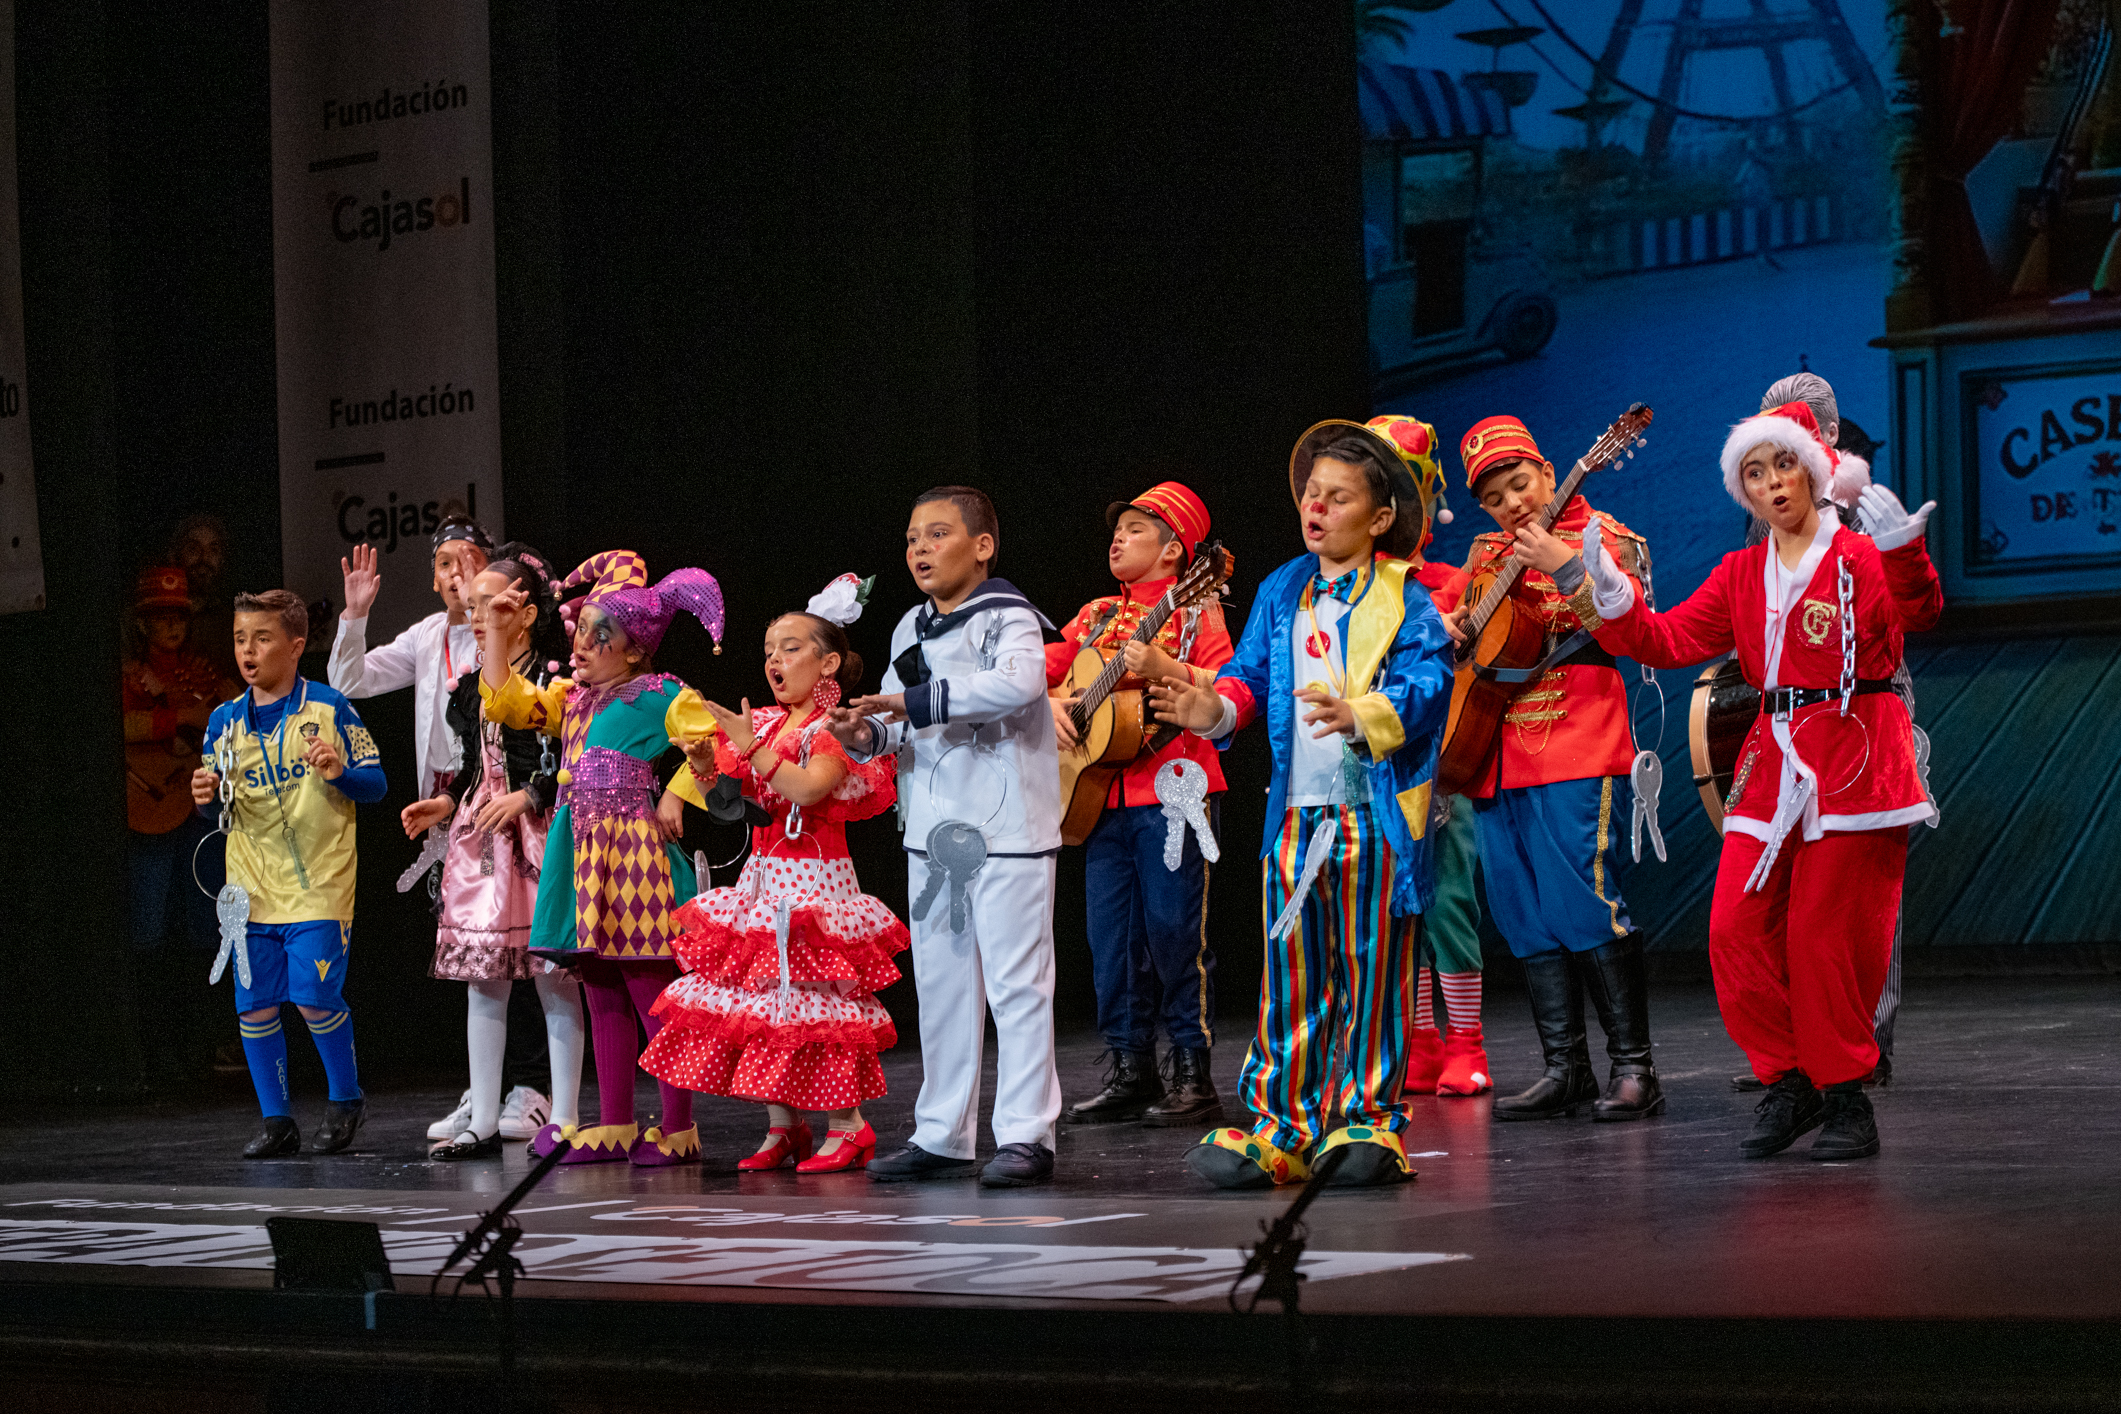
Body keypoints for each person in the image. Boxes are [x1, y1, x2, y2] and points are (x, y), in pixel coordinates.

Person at [1576, 401, 1940, 1160]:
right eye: (1753, 471)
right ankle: (1789, 1081)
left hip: (1856, 757)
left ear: (1811, 470)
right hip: (1772, 763)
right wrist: (1611, 592)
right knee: (1733, 931)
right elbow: (1666, 637)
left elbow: (1917, 615)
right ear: (1740, 489)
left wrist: (1903, 551)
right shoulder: (1741, 572)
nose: (1771, 483)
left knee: (1823, 938)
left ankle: (1844, 1095)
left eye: (1781, 465)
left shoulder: (1858, 559)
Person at [1151, 415, 1453, 1189]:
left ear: (1379, 517)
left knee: (1370, 967)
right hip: (1295, 817)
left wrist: (1364, 714)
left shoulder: (1404, 595)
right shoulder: (1283, 587)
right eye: (1311, 494)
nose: (1315, 508)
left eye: (1338, 497)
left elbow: (1429, 683)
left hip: (1369, 815)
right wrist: (1211, 709)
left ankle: (1366, 1119)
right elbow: (1248, 676)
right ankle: (1281, 1122)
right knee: (1288, 969)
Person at [827, 486, 1065, 1189]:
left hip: (1006, 829)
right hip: (935, 834)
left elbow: (1020, 684)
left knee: (1018, 986)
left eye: (936, 535)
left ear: (981, 546)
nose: (919, 550)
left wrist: (912, 703)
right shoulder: (908, 628)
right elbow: (909, 723)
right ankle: (943, 1133)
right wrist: (870, 731)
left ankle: (1026, 1134)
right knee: (942, 986)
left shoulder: (1008, 615)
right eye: (911, 539)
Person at [644, 574, 909, 1173]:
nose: (774, 659)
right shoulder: (762, 723)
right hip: (764, 882)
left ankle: (849, 1127)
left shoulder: (835, 726)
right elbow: (737, 803)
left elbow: (809, 787)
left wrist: (752, 752)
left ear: (829, 662)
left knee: (820, 1006)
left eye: (790, 648)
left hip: (816, 886)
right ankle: (783, 1127)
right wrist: (707, 766)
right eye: (769, 650)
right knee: (766, 1004)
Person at [1441, 415, 1664, 1125]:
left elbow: (1629, 623)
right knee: (1521, 912)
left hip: (1575, 734)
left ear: (1545, 470)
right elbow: (1448, 626)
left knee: (1582, 900)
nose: (1510, 502)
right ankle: (1563, 1067)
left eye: (1518, 483)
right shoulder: (1483, 553)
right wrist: (1444, 629)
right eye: (1494, 495)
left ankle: (1633, 1068)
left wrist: (1561, 565)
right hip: (1490, 746)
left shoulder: (1609, 537)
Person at [480, 551, 723, 1166]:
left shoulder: (661, 693)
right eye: (580, 630)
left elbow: (716, 743)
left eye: (599, 635)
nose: (582, 644)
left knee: (650, 989)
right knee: (602, 988)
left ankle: (677, 1127)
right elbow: (505, 703)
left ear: (636, 648)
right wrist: (498, 633)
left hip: (636, 857)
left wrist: (677, 791)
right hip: (582, 856)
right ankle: (615, 1123)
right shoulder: (570, 699)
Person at [330, 519, 556, 1145]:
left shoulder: (529, 653)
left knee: (531, 950)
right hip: (458, 815)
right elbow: (351, 682)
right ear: (432, 580)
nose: (456, 574)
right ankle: (486, 1090)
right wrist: (354, 618)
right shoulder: (429, 637)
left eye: (469, 561)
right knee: (477, 954)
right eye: (445, 564)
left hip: (518, 809)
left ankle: (532, 1087)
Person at [1728, 371, 1911, 1093]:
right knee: (1786, 889)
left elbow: (1899, 610)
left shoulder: (1862, 506)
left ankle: (1869, 1039)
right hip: (1792, 717)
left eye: (1792, 430)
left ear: (1827, 434)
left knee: (1861, 889)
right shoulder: (1763, 507)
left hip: (1867, 704)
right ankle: (1800, 1049)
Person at [1045, 481, 1234, 1129]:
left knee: (1174, 931)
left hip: (1173, 790)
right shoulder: (1096, 612)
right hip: (1098, 795)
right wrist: (1045, 702)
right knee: (1111, 941)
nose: (1116, 539)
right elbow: (1049, 668)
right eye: (1116, 529)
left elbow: (1230, 680)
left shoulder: (1194, 610)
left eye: (1134, 529)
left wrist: (1167, 667)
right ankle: (1130, 1067)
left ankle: (1191, 1069)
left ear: (1175, 551)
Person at [399, 544, 585, 1161]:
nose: (475, 615)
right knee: (484, 978)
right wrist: (445, 806)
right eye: (472, 605)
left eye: (488, 605)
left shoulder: (559, 676)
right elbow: (478, 764)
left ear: (524, 613)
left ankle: (563, 1114)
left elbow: (570, 760)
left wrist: (531, 795)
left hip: (543, 834)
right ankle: (481, 1112)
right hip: (485, 840)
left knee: (555, 974)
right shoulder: (468, 685)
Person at [190, 589, 388, 1157]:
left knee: (313, 995)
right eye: (239, 639)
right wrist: (203, 795)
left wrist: (340, 769)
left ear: (297, 645)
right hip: (249, 888)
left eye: (262, 638)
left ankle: (345, 1098)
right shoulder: (223, 722)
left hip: (319, 885)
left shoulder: (331, 708)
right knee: (253, 1006)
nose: (247, 651)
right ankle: (278, 1122)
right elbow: (217, 806)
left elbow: (374, 785)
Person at [1391, 426, 1491, 1099]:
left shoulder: (1453, 583)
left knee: (1449, 896)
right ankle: (1420, 1040)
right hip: (1376, 765)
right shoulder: (1340, 591)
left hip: (1439, 762)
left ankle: (1465, 1040)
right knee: (1398, 905)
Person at [124, 565, 239, 1077]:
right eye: (160, 619)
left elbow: (242, 709)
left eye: (178, 618)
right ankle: (151, 1048)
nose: (171, 627)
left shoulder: (204, 672)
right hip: (154, 803)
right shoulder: (130, 674)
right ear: (144, 625)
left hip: (199, 809)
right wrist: (180, 720)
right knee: (147, 925)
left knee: (208, 922)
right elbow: (119, 722)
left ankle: (208, 1041)